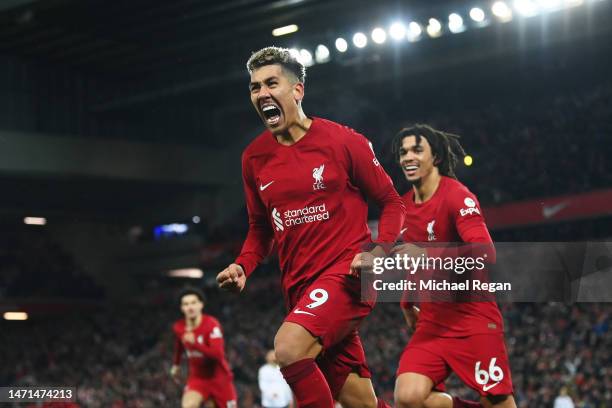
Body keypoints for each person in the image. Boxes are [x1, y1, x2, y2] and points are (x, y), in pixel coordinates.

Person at [216, 46, 406, 408]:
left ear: (297, 90)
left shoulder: (343, 141)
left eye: (271, 83)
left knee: (287, 348)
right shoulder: (253, 158)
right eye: (255, 87)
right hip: (299, 288)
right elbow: (260, 228)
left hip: (348, 275)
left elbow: (392, 202)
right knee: (360, 401)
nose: (262, 94)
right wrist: (243, 265)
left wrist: (378, 253)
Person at [391, 124, 516, 408]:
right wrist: (407, 303)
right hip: (433, 322)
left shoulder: (457, 196)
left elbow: (484, 251)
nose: (407, 157)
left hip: (472, 316)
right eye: (403, 152)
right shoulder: (405, 204)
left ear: (435, 157)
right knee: (407, 397)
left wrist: (426, 253)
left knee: (497, 401)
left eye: (416, 150)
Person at [171, 288, 237, 408]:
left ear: (201, 305)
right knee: (189, 405)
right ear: (182, 308)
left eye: (193, 302)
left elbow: (218, 355)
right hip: (198, 379)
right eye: (186, 304)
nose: (190, 307)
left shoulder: (211, 325)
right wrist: (176, 364)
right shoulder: (179, 327)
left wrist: (195, 343)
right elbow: (180, 344)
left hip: (220, 379)